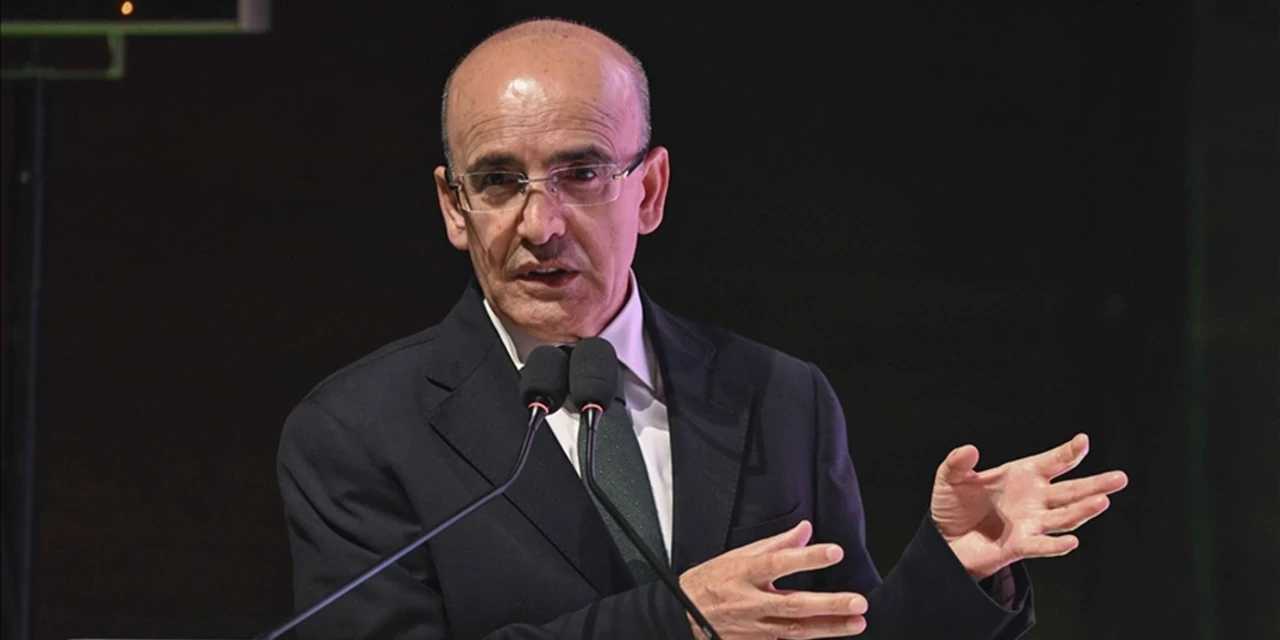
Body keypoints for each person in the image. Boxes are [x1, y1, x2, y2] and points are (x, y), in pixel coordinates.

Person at [277, 18, 1129, 639]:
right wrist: (675, 622)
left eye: (581, 173)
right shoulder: (359, 432)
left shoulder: (780, 397)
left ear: (648, 192)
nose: (540, 225)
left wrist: (953, 566)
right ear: (453, 207)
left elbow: (840, 631)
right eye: (499, 182)